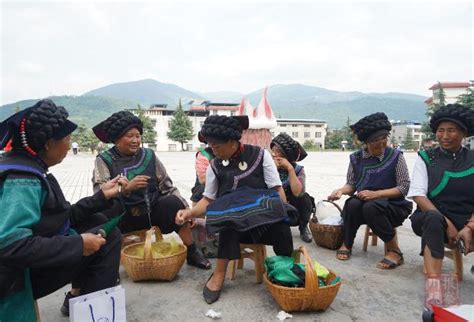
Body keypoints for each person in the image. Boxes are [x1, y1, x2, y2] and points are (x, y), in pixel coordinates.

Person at [0, 100, 123, 320]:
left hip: (25, 262)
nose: (70, 145)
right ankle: (97, 315)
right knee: (108, 238)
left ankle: (81, 300)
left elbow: (58, 218)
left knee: (96, 219)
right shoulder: (22, 180)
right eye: (67, 139)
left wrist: (101, 196)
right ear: (48, 144)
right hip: (13, 279)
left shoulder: (25, 166)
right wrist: (78, 245)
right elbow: (12, 246)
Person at [175, 115, 294, 304]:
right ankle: (219, 274)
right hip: (236, 228)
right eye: (210, 145)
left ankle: (286, 270)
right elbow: (208, 198)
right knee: (229, 222)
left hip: (262, 221)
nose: (213, 150)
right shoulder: (214, 165)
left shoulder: (260, 155)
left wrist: (279, 212)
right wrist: (189, 212)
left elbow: (277, 190)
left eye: (217, 146)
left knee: (282, 226)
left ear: (232, 143)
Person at [92, 111, 211, 269]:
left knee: (173, 203)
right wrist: (125, 188)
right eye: (130, 136)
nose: (135, 140)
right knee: (103, 214)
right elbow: (100, 192)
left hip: (151, 211)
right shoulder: (104, 159)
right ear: (116, 138)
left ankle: (191, 251)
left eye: (138, 136)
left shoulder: (149, 155)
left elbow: (167, 185)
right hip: (124, 214)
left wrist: (186, 209)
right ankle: (110, 264)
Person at [408, 104, 474, 307]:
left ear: (463, 133)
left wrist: (469, 226)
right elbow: (418, 194)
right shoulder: (426, 158)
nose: (444, 136)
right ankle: (434, 283)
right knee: (434, 219)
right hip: (431, 216)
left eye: (451, 130)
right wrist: (449, 223)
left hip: (467, 217)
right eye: (440, 130)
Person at [328, 112, 412, 269]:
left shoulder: (396, 156)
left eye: (384, 139)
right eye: (375, 141)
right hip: (366, 202)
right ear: (365, 143)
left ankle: (395, 251)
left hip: (393, 205)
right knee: (352, 204)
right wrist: (340, 190)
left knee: (371, 206)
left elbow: (404, 187)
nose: (381, 145)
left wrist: (376, 194)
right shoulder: (355, 158)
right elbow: (352, 184)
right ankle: (347, 243)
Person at [270, 133, 313, 243]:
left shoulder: (298, 169)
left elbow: (298, 192)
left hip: (292, 206)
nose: (274, 154)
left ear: (286, 155)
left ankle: (303, 227)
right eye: (273, 150)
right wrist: (272, 170)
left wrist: (290, 169)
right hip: (274, 204)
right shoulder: (268, 166)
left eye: (278, 151)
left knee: (305, 198)